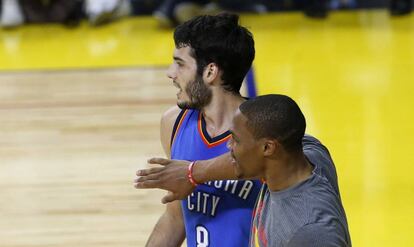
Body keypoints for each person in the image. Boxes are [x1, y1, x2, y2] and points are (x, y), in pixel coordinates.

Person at [136, 94, 352, 246]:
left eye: (236, 141)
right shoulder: (310, 155)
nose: (229, 147)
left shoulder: (309, 231)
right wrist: (193, 172)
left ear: (268, 147)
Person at [142, 13, 263, 247]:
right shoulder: (173, 123)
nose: (170, 73)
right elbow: (174, 218)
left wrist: (192, 173)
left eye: (180, 63)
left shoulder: (262, 130)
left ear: (210, 72)